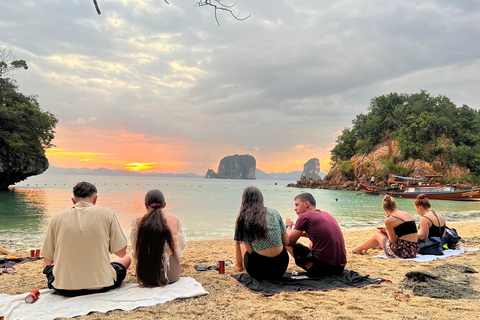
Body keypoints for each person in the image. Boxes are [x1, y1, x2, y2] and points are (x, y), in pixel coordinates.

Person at [42, 182, 131, 297]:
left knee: (46, 264)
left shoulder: (57, 218)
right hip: (101, 284)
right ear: (95, 199)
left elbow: (48, 261)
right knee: (126, 258)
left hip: (64, 288)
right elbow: (121, 253)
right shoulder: (108, 215)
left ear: (73, 201)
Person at [130, 189, 186, 287]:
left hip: (147, 276)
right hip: (172, 275)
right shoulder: (175, 221)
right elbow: (180, 248)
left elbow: (136, 252)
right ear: (164, 205)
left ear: (146, 205)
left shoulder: (137, 222)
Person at [233, 186, 289, 280]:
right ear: (261, 199)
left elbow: (250, 251)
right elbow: (286, 241)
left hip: (259, 270)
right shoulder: (274, 212)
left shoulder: (244, 217)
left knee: (241, 241)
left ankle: (239, 265)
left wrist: (237, 224)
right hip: (280, 267)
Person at [285, 193, 347, 277]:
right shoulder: (327, 214)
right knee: (310, 243)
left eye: (297, 205)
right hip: (339, 268)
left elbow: (289, 241)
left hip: (322, 269)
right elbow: (320, 235)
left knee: (284, 240)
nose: (295, 209)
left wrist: (288, 226)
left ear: (306, 204)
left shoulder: (304, 217)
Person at [353, 195, 419, 258]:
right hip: (414, 250)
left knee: (377, 235)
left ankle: (358, 249)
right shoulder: (406, 213)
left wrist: (387, 231)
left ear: (385, 209)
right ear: (396, 205)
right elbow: (405, 232)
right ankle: (364, 248)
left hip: (403, 252)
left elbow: (393, 240)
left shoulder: (389, 220)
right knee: (383, 234)